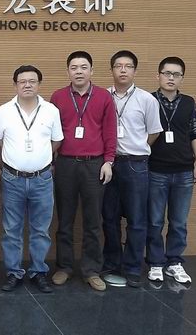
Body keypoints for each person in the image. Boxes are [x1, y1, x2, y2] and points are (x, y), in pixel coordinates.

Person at [50, 51, 117, 291]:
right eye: (74, 67)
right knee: (64, 218)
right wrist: (51, 161)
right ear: (68, 71)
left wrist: (109, 161)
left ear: (92, 70)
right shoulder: (58, 97)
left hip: (94, 164)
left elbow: (110, 131)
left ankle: (91, 270)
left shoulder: (103, 97)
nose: (79, 71)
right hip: (65, 164)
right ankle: (64, 267)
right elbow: (51, 132)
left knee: (92, 221)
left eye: (83, 67)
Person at [0, 65, 63, 293]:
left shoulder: (51, 111)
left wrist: (41, 160)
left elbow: (57, 141)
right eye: (22, 81)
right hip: (12, 179)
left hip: (42, 179)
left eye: (32, 81)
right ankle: (13, 272)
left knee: (40, 229)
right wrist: (6, 166)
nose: (27, 85)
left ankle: (38, 271)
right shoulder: (3, 111)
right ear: (15, 84)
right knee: (11, 229)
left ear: (39, 84)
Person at [103, 50, 162, 287]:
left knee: (137, 219)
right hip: (108, 163)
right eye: (118, 66)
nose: (123, 70)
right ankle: (111, 264)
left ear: (135, 71)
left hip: (136, 164)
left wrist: (136, 149)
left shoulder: (147, 99)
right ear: (112, 70)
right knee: (109, 217)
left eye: (128, 66)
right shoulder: (103, 96)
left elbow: (154, 132)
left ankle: (133, 268)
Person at [146, 56, 196, 284]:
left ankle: (174, 262)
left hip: (184, 171)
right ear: (158, 76)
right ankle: (155, 262)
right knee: (155, 221)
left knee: (179, 221)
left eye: (176, 74)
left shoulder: (189, 103)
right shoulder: (149, 100)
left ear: (182, 78)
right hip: (155, 169)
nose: (171, 78)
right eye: (167, 73)